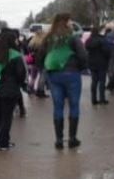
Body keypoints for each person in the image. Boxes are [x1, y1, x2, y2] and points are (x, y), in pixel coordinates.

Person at [37, 13, 88, 150]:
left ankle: (59, 140)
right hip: (72, 74)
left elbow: (40, 55)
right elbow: (83, 55)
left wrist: (44, 69)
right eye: (70, 20)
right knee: (74, 105)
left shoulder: (48, 38)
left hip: (53, 75)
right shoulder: (72, 37)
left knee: (58, 106)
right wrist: (81, 68)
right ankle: (72, 139)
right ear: (66, 21)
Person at [85, 25, 111, 105]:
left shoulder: (88, 40)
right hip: (102, 63)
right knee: (102, 81)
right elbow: (107, 51)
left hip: (92, 63)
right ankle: (102, 99)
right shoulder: (102, 40)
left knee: (94, 81)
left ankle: (93, 99)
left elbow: (86, 49)